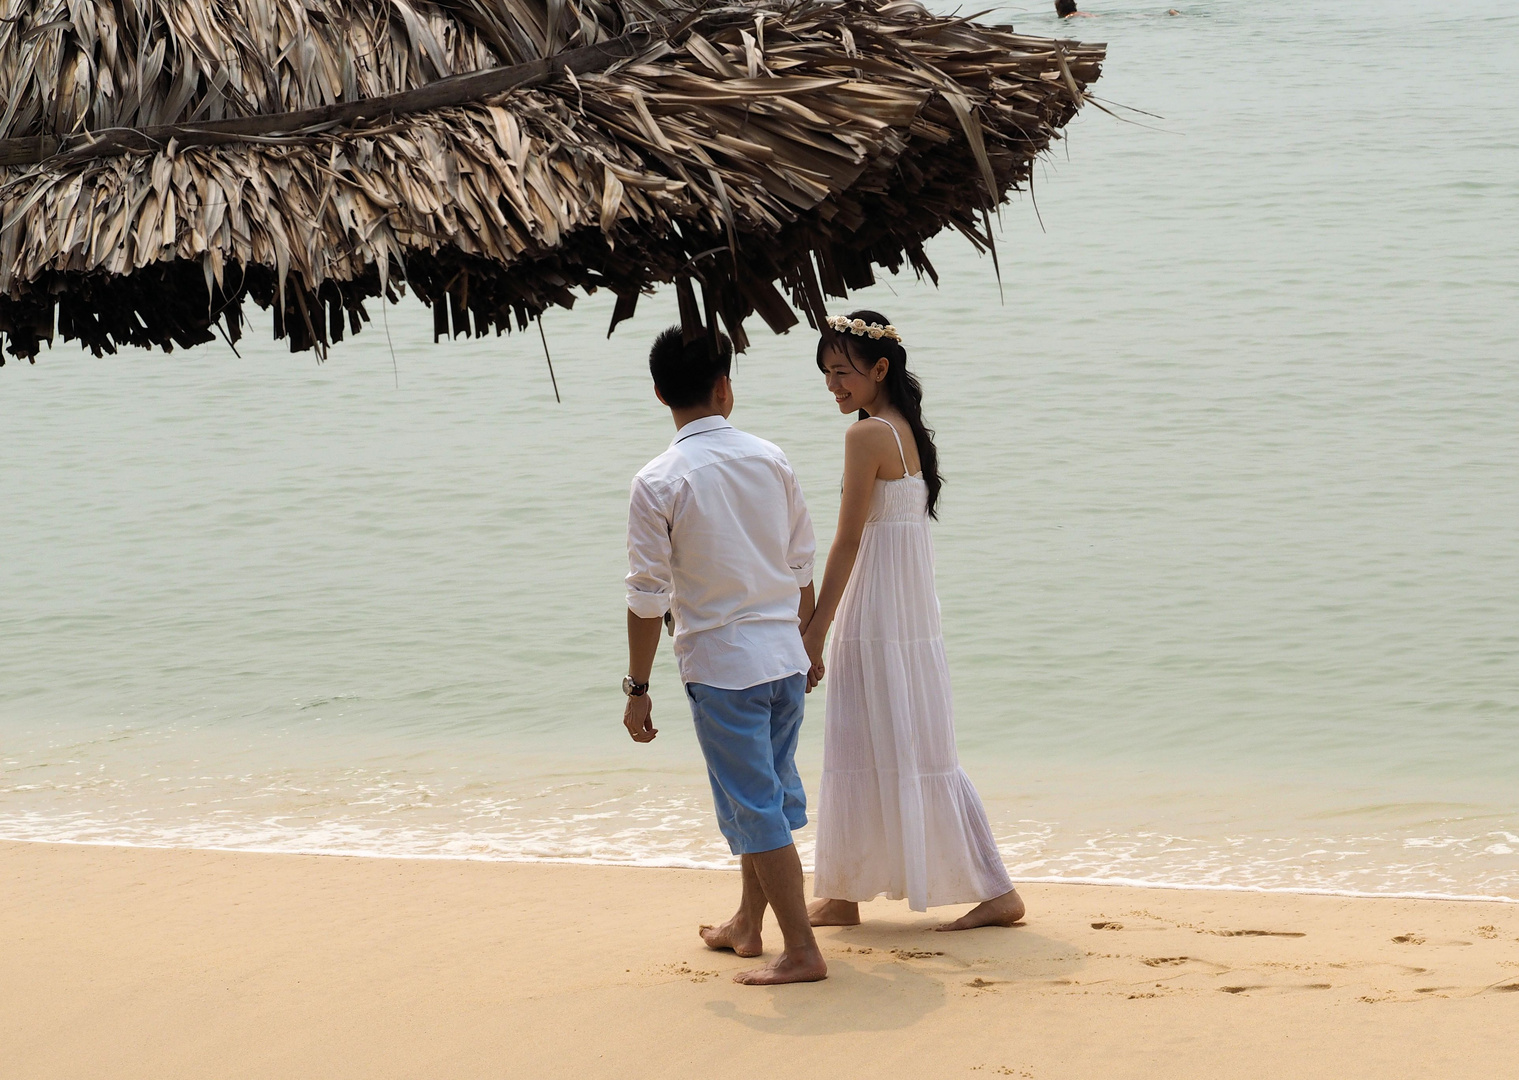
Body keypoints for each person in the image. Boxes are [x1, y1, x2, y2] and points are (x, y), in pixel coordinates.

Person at [801, 312, 1026, 932]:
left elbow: (847, 540)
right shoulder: (904, 429)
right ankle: (843, 893)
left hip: (877, 608)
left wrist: (815, 628)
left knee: (863, 738)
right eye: (825, 372)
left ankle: (996, 890)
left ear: (880, 369)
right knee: (903, 742)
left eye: (843, 372)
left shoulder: (866, 436)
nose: (832, 385)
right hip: (906, 611)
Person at [622, 325, 827, 985]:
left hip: (722, 665)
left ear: (659, 394)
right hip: (783, 657)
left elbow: (647, 596)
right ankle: (747, 923)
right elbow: (800, 564)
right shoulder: (771, 458)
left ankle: (800, 951)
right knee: (764, 792)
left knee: (754, 803)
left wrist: (637, 688)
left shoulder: (657, 480)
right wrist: (807, 639)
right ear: (724, 387)